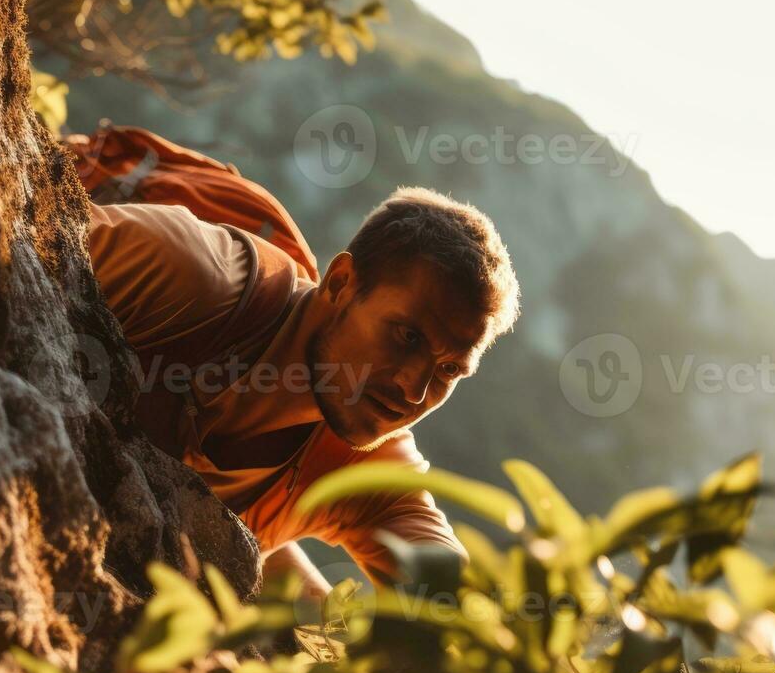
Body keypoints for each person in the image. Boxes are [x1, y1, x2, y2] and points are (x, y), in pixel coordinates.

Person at [75, 127, 521, 596]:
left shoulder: (362, 465)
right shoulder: (188, 274)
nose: (414, 389)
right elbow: (12, 247)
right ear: (341, 283)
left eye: (449, 369)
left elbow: (456, 604)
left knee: (299, 609)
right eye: (407, 336)